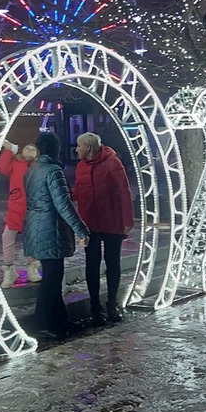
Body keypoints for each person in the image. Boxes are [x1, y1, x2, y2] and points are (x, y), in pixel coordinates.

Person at [23, 132, 90, 339]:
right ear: (56, 149)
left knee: (52, 276)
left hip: (35, 226)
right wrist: (82, 230)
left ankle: (60, 323)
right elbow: (63, 205)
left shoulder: (33, 170)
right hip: (49, 228)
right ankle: (43, 323)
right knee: (52, 279)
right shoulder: (53, 171)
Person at [73, 132, 134, 326]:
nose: (76, 149)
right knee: (92, 265)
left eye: (79, 146)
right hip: (90, 224)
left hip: (111, 222)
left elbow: (124, 191)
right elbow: (80, 192)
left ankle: (111, 305)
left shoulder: (112, 163)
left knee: (112, 263)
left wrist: (127, 220)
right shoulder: (81, 166)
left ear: (88, 148)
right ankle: (95, 307)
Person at [0, 140, 41, 288]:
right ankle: (9, 269)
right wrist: (8, 151)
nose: (29, 150)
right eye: (27, 148)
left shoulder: (38, 167)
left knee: (32, 239)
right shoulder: (16, 164)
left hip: (33, 208)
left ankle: (32, 267)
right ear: (21, 151)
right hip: (16, 206)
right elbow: (2, 167)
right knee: (7, 237)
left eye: (33, 150)